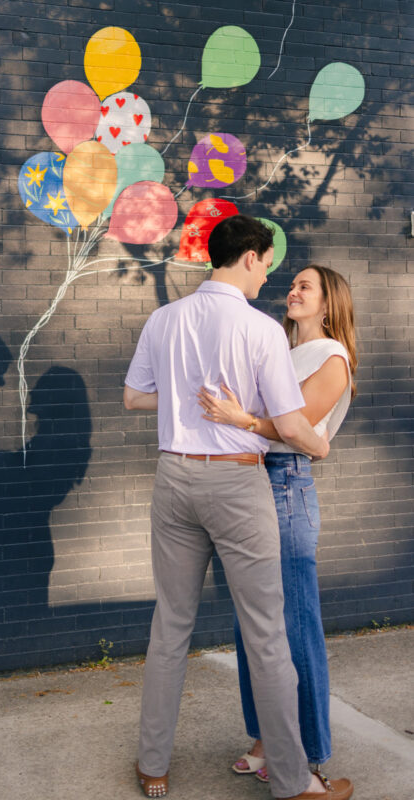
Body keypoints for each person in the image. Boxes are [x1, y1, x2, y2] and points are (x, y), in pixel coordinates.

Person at [123, 215, 353, 800]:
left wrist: (186, 404)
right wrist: (318, 444)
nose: (269, 278)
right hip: (235, 483)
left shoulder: (163, 318)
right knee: (267, 636)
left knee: (170, 626)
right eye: (268, 264)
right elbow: (293, 424)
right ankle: (295, 782)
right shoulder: (260, 331)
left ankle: (153, 767)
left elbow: (132, 397)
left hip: (173, 478)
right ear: (250, 256)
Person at [197, 265, 357, 783]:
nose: (293, 290)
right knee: (254, 627)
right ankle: (269, 738)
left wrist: (241, 419)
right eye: (293, 284)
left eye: (305, 286)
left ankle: (308, 753)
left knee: (294, 626)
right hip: (251, 481)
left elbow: (299, 430)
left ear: (329, 303)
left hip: (287, 487)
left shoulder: (332, 358)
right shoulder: (283, 351)